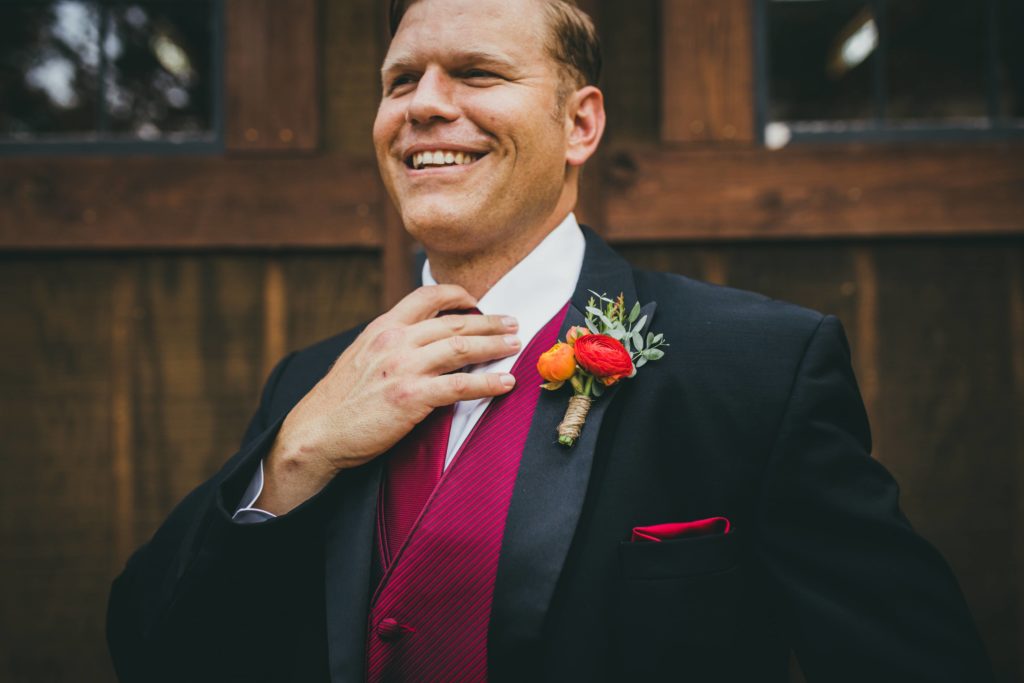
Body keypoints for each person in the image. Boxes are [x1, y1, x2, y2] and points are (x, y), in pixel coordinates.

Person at [106, 0, 994, 681]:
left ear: (581, 125)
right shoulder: (311, 384)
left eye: (476, 73)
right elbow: (154, 649)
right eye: (400, 81)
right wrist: (295, 455)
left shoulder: (759, 367)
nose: (424, 105)